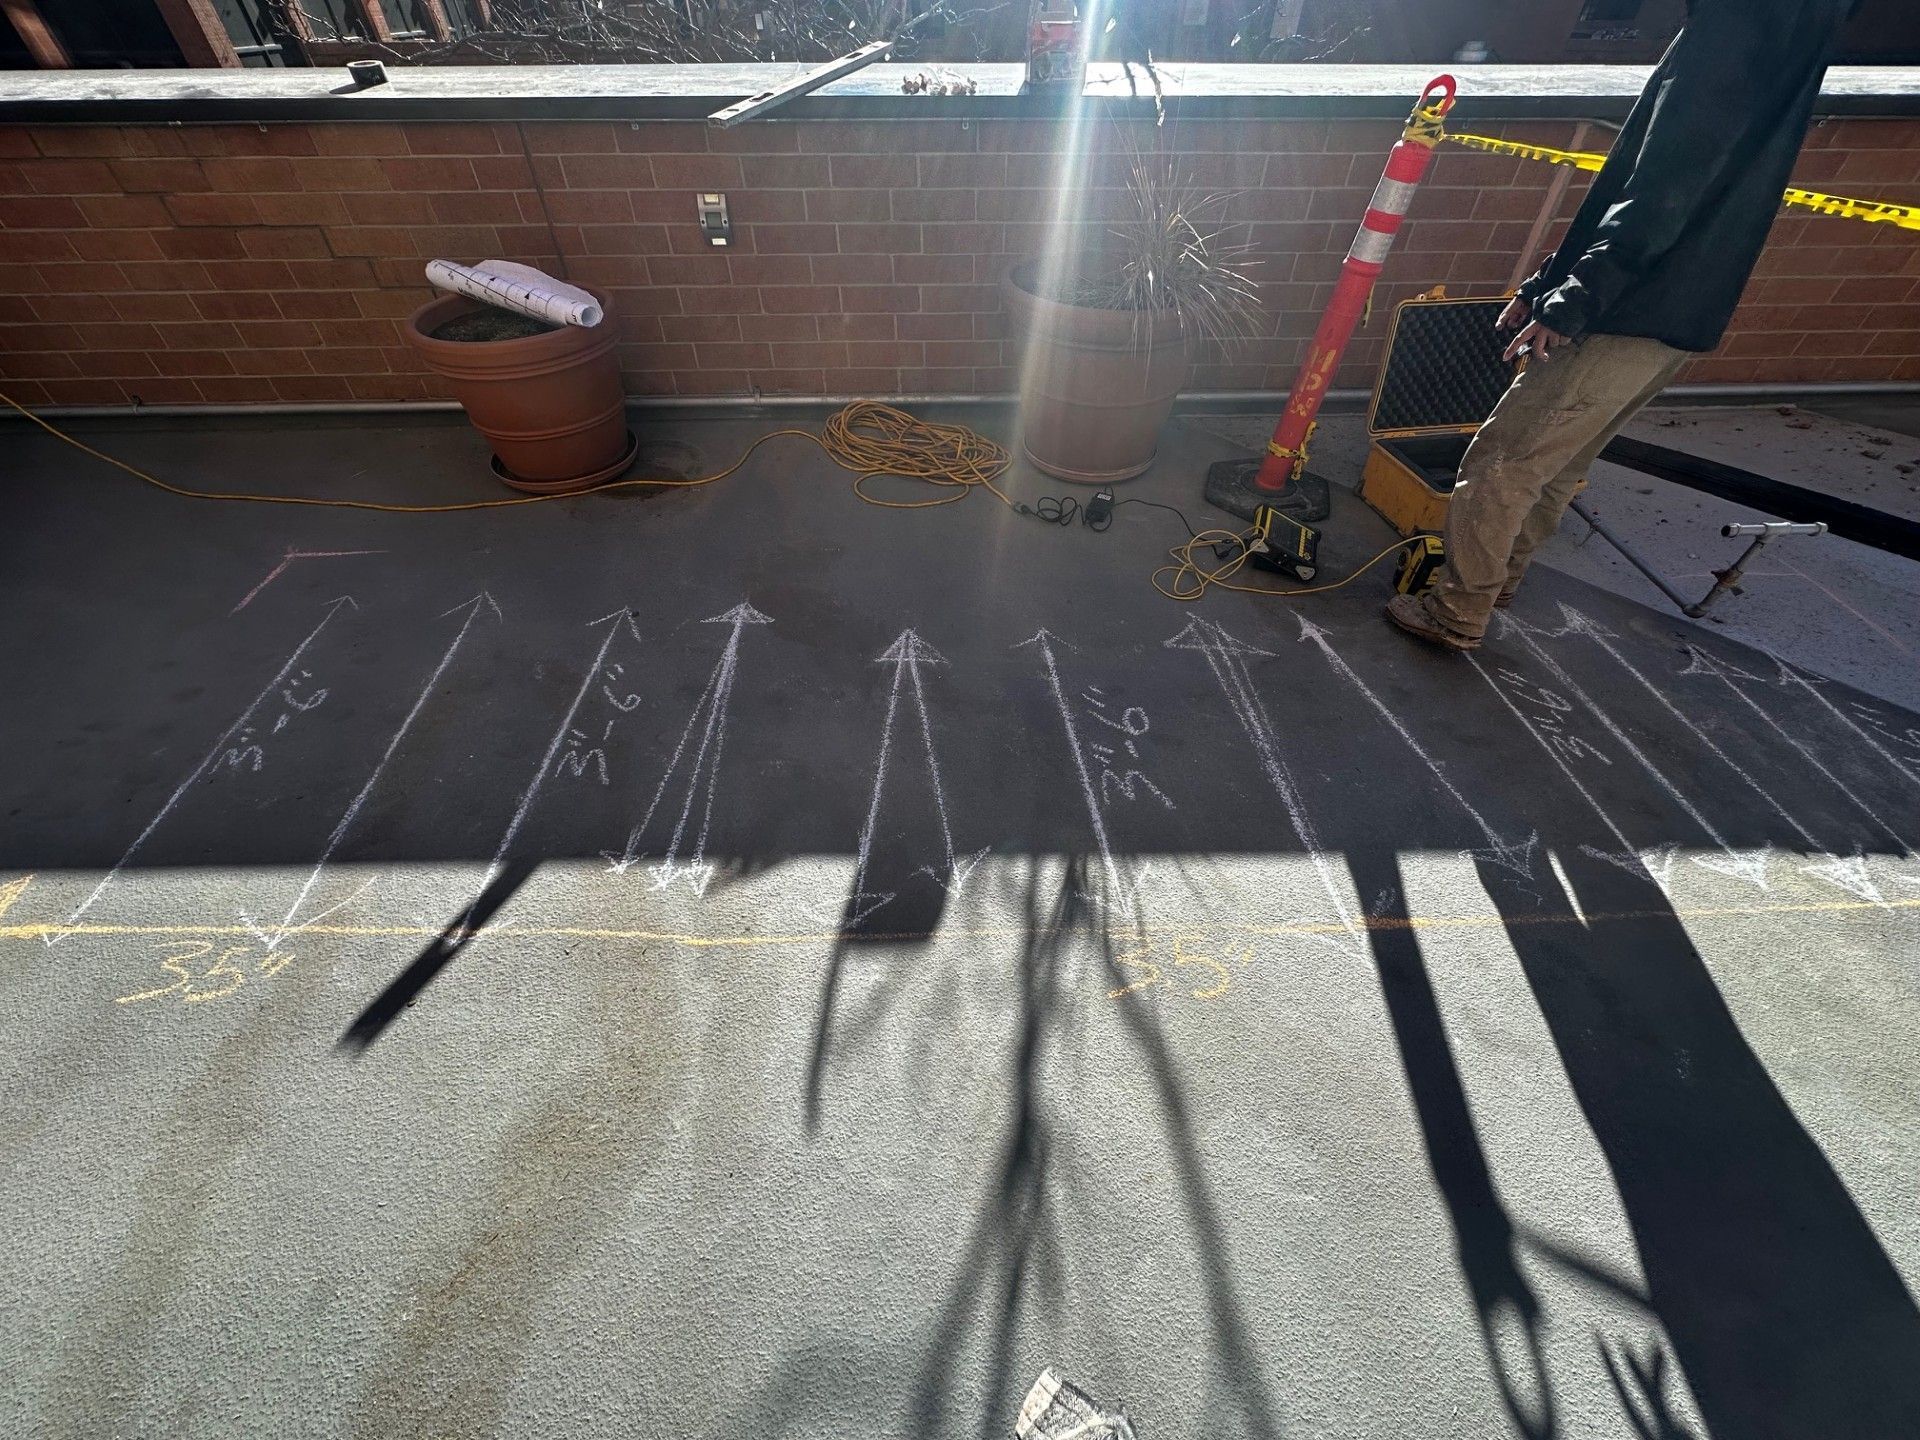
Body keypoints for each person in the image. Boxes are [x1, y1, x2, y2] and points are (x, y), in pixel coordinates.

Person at [1385, 0, 1864, 653]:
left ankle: (1456, 610)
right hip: (1675, 314)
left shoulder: (1733, 30)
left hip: (1627, 309)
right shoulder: (1797, 30)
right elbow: (1644, 185)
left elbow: (1660, 191)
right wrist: (1546, 284)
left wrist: (1572, 302)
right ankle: (1495, 585)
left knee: (1502, 463)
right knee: (1555, 465)